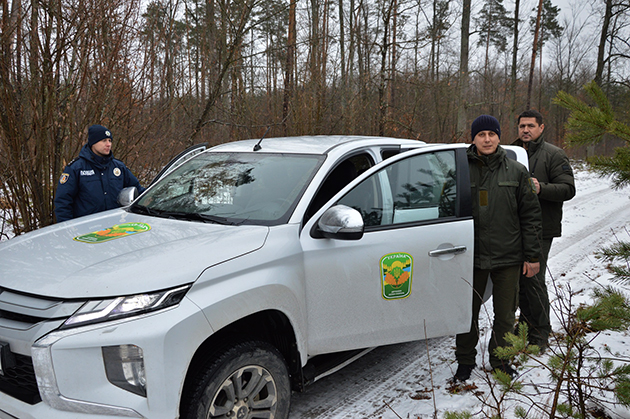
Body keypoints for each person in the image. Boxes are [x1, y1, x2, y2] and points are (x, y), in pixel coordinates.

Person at [454, 115, 542, 382]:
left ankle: (500, 360)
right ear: (473, 137)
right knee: (466, 313)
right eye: (481, 134)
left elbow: (530, 216)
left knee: (505, 315)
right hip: (471, 256)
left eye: (491, 134)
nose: (487, 139)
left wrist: (532, 256)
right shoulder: (460, 169)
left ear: (499, 136)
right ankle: (465, 362)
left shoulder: (516, 171)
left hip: (508, 256)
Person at [512, 109, 575, 350]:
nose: (525, 130)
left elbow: (568, 189)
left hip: (541, 228)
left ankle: (540, 333)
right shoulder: (512, 152)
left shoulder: (554, 155)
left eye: (530, 126)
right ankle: (524, 326)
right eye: (521, 126)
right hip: (513, 227)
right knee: (518, 281)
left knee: (533, 279)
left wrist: (542, 188)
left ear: (541, 127)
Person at [54, 124, 145, 222]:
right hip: (86, 230)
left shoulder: (119, 167)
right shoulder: (76, 168)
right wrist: (67, 228)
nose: (108, 144)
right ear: (93, 142)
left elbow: (138, 191)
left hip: (116, 226)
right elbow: (63, 202)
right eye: (104, 141)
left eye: (110, 141)